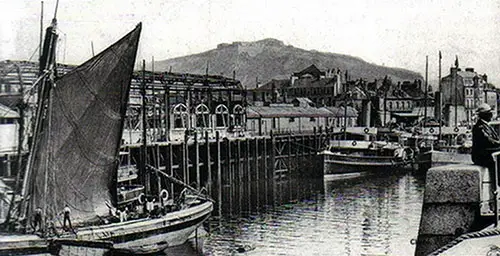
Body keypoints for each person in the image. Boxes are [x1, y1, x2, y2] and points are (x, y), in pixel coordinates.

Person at [472, 103, 500, 183]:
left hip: (486, 153)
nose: (491, 115)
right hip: (481, 156)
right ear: (483, 115)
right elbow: (488, 141)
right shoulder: (479, 127)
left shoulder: (487, 125)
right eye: (489, 113)